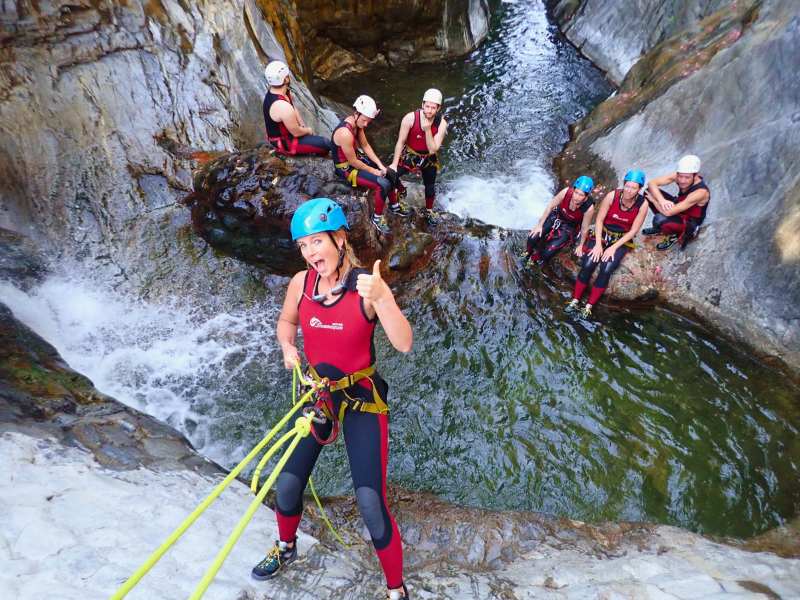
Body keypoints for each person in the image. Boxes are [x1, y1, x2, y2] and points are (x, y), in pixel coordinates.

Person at [251, 198, 412, 600]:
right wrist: (289, 348)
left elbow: (404, 344)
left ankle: (397, 590)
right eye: (303, 245)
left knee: (370, 503)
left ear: (339, 240)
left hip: (360, 397)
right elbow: (287, 322)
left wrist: (384, 298)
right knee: (286, 485)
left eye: (317, 242)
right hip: (318, 393)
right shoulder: (300, 284)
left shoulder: (366, 288)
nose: (309, 253)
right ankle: (287, 547)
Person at [565, 170, 648, 319]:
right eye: (627, 186)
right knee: (589, 262)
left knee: (607, 267)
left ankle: (589, 305)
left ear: (639, 189)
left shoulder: (642, 204)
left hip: (621, 239)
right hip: (602, 233)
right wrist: (598, 245)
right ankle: (575, 300)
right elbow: (599, 220)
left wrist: (613, 248)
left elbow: (634, 231)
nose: (629, 191)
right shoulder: (613, 196)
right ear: (623, 184)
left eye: (633, 188)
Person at [332, 95, 410, 234]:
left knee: (390, 172)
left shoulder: (358, 126)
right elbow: (353, 162)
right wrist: (373, 171)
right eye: (364, 120)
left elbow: (366, 146)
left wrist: (380, 166)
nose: (366, 124)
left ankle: (394, 205)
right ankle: (377, 217)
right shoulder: (345, 132)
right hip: (346, 169)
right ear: (356, 113)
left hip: (355, 161)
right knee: (382, 184)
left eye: (368, 121)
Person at [388, 89, 448, 226]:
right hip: (410, 154)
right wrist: (394, 163)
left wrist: (427, 130)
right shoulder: (410, 118)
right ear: (422, 104)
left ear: (438, 108)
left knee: (430, 186)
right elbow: (400, 142)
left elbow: (433, 149)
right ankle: (402, 191)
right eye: (427, 106)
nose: (429, 110)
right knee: (392, 175)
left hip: (428, 158)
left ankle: (429, 210)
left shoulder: (441, 124)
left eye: (433, 108)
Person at [520, 176, 596, 267]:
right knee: (532, 237)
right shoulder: (566, 192)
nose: (577, 197)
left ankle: (533, 258)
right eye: (576, 192)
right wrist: (540, 225)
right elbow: (550, 206)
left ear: (586, 196)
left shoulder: (588, 207)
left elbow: (584, 228)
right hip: (556, 216)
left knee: (548, 252)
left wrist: (581, 245)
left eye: (581, 195)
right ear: (573, 190)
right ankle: (528, 251)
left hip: (568, 227)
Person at [642, 155, 710, 250]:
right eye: (680, 176)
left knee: (659, 220)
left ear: (696, 176)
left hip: (689, 220)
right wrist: (662, 200)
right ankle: (661, 227)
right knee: (648, 192)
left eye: (687, 177)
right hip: (679, 207)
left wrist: (655, 200)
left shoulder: (699, 192)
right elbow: (651, 183)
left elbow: (668, 212)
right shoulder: (679, 176)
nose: (682, 181)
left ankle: (672, 235)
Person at [263, 61, 331, 156]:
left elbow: (293, 109)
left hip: (287, 134)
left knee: (314, 139)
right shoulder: (282, 106)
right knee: (326, 144)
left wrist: (304, 127)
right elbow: (297, 133)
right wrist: (308, 130)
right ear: (286, 79)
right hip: (284, 141)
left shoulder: (279, 92)